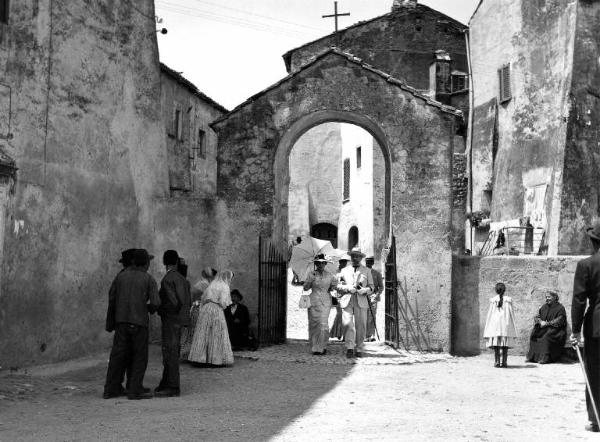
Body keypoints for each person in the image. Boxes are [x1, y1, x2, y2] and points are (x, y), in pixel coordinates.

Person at [103, 249, 159, 400]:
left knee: (118, 356)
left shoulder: (120, 277)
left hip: (121, 322)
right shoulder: (149, 279)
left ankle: (111, 389)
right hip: (139, 323)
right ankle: (135, 389)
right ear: (146, 263)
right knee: (139, 356)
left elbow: (112, 298)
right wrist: (146, 307)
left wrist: (111, 322)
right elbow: (155, 304)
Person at [571, 221, 600, 432]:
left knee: (595, 373)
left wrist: (575, 330)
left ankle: (597, 419)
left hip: (596, 328)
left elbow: (579, 300)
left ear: (594, 242)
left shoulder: (586, 265)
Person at [155, 250, 191, 398]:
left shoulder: (167, 279)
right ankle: (166, 382)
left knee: (169, 352)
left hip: (171, 319)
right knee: (172, 351)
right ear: (176, 261)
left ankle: (172, 386)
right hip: (181, 320)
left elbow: (173, 302)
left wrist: (159, 309)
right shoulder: (182, 278)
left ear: (164, 262)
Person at [188, 270, 235, 366]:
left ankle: (200, 358)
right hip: (216, 310)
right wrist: (222, 305)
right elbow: (223, 302)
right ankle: (215, 360)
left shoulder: (212, 284)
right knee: (216, 333)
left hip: (206, 309)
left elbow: (204, 298)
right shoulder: (224, 286)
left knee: (203, 333)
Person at [337, 247, 374, 358]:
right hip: (347, 300)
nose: (355, 258)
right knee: (348, 324)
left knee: (361, 325)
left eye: (357, 256)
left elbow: (372, 287)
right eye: (353, 256)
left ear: (361, 258)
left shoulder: (367, 271)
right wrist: (348, 288)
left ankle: (359, 347)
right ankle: (349, 347)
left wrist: (365, 290)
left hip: (361, 301)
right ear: (351, 257)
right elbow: (337, 286)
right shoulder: (344, 271)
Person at [303, 254, 338, 355]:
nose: (321, 264)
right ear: (316, 264)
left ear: (326, 263)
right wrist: (310, 280)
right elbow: (305, 288)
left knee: (323, 324)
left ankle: (322, 346)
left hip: (325, 302)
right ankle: (315, 347)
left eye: (323, 262)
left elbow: (333, 287)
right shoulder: (311, 274)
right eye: (318, 263)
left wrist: (334, 286)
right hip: (313, 301)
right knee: (314, 324)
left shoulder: (330, 275)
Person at [181, 266, 217, 360]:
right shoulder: (205, 284)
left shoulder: (200, 284)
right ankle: (201, 355)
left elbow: (193, 297)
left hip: (196, 308)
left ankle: (194, 354)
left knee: (194, 331)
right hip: (202, 309)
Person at [525, 289, 567, 364]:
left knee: (546, 336)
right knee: (534, 334)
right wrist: (540, 321)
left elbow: (560, 320)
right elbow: (537, 316)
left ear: (555, 297)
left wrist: (547, 324)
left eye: (549, 297)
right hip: (544, 327)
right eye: (546, 297)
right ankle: (532, 357)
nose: (547, 298)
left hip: (556, 330)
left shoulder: (560, 308)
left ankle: (544, 358)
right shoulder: (544, 307)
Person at [483, 282, 517, 367]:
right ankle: (504, 362)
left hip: (495, 325)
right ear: (504, 290)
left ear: (496, 290)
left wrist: (489, 325)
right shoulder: (508, 300)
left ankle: (497, 362)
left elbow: (490, 314)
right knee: (505, 345)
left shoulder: (493, 300)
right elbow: (511, 313)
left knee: (496, 345)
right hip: (505, 325)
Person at [330, 254, 350, 340]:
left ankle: (344, 335)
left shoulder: (348, 272)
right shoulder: (335, 272)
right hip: (338, 295)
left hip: (346, 295)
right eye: (342, 262)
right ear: (340, 262)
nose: (344, 263)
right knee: (339, 314)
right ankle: (338, 333)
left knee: (346, 315)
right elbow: (333, 284)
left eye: (345, 262)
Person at [365, 256, 384, 342]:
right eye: (367, 262)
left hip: (373, 297)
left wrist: (377, 294)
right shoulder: (362, 273)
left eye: (370, 262)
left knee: (372, 316)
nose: (368, 263)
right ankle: (365, 335)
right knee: (364, 316)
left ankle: (372, 335)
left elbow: (381, 287)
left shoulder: (377, 274)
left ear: (372, 263)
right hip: (363, 296)